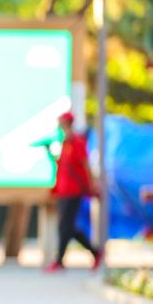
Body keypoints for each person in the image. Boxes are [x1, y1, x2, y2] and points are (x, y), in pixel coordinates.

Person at [45, 111, 103, 273]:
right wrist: (49, 153)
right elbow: (62, 166)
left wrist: (92, 184)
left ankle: (60, 261)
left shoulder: (77, 142)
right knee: (67, 227)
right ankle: (94, 252)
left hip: (74, 191)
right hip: (63, 191)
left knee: (66, 227)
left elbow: (85, 165)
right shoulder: (65, 143)